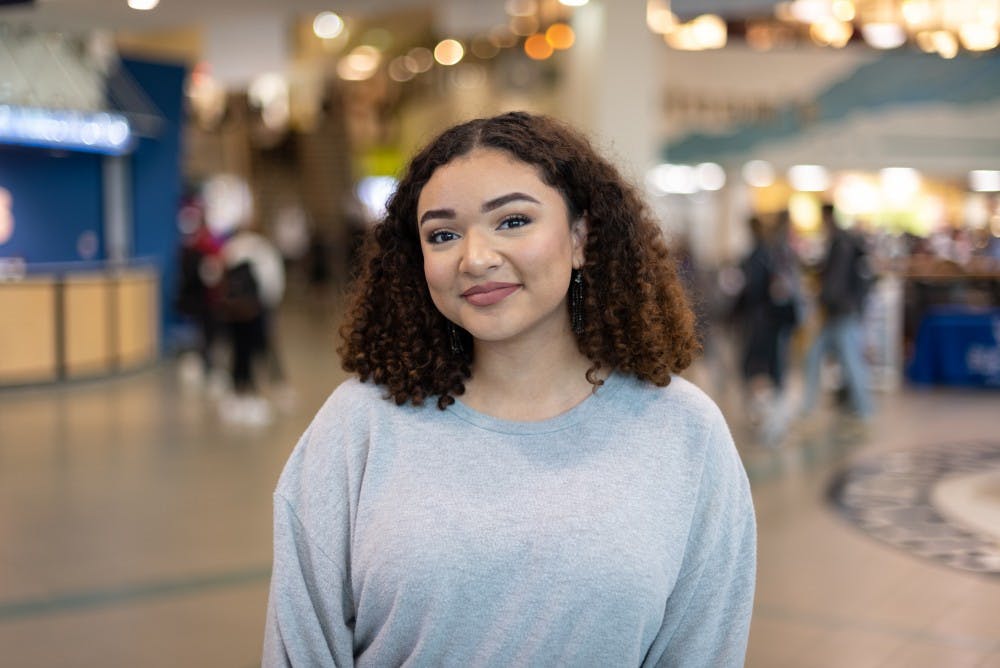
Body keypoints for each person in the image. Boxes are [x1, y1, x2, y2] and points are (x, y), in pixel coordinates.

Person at [262, 112, 756, 667]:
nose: (474, 258)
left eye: (513, 221)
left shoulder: (685, 433)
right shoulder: (358, 426)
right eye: (442, 235)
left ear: (580, 237)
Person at [800, 203, 874, 421]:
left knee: (850, 362)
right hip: (838, 313)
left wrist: (823, 298)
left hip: (840, 313)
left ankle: (865, 410)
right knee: (815, 357)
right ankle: (809, 407)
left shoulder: (840, 243)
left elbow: (835, 282)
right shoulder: (841, 241)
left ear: (827, 217)